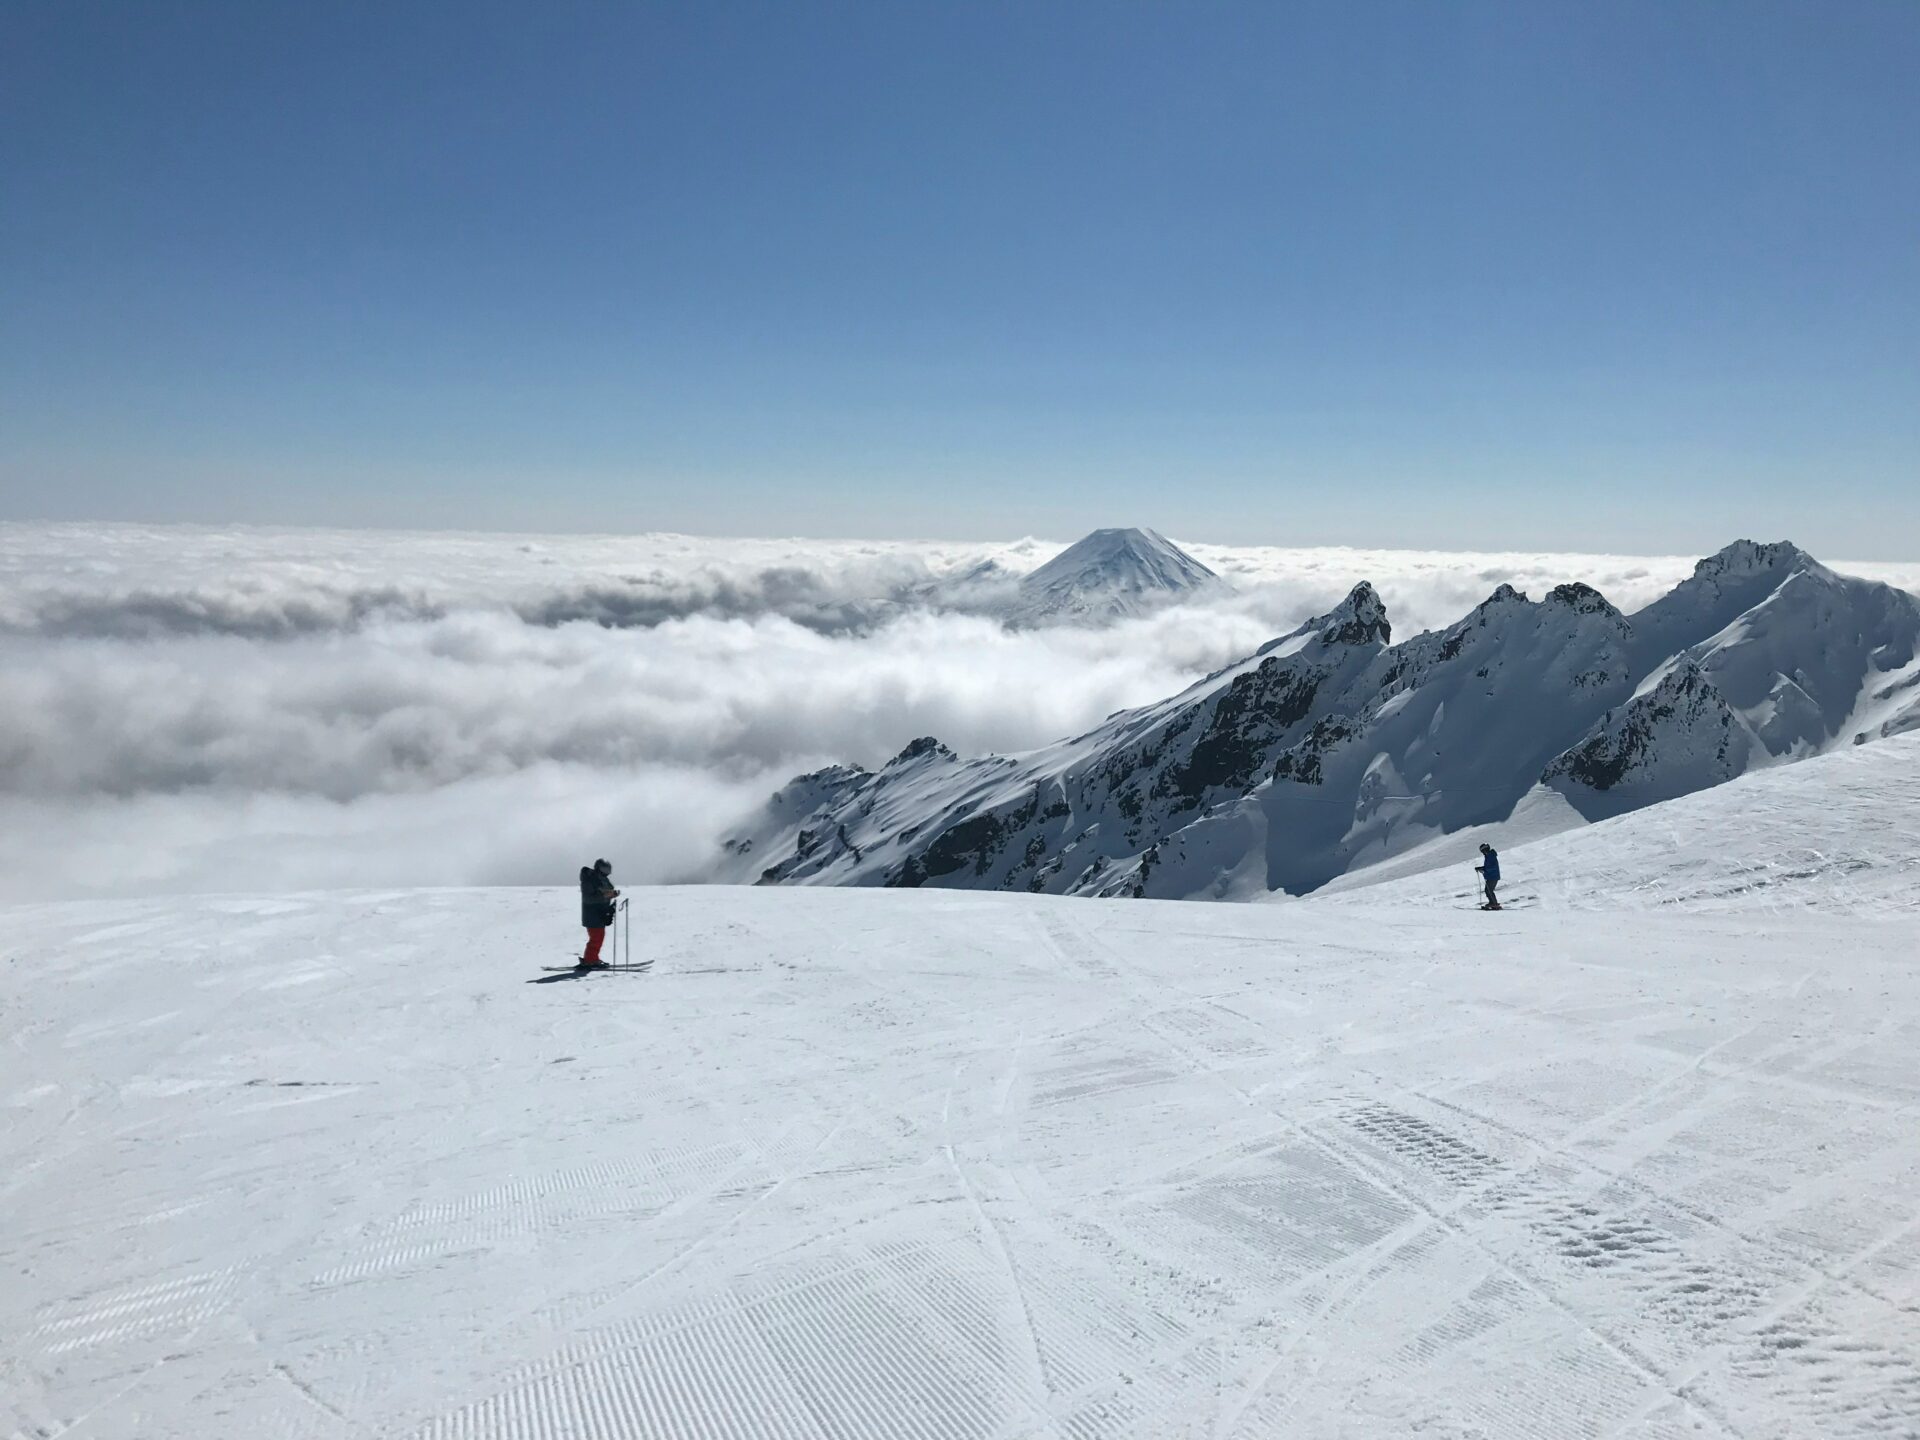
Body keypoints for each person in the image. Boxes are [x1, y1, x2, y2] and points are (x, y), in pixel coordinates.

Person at [579, 858, 620, 967]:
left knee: (599, 937)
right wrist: (606, 895)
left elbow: (606, 891)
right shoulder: (590, 879)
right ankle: (590, 960)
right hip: (592, 913)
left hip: (600, 912)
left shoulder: (602, 879)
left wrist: (611, 897)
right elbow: (589, 897)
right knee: (596, 938)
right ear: (599, 868)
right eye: (606, 869)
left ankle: (593, 958)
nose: (608, 872)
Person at [1475, 843, 1501, 910]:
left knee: (1489, 890)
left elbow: (1492, 867)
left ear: (1485, 850)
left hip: (1493, 876)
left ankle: (1494, 904)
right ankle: (1493, 903)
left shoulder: (1491, 856)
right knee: (1488, 890)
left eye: (1483, 851)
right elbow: (1488, 867)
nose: (1483, 853)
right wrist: (1481, 868)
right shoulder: (1489, 856)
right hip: (1491, 876)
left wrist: (1483, 869)